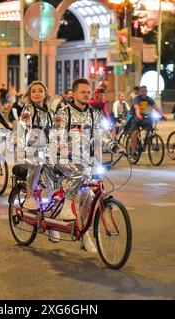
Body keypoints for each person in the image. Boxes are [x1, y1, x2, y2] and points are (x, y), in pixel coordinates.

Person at [54, 78, 121, 253]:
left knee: (89, 198)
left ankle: (85, 235)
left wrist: (114, 146)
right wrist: (62, 146)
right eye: (82, 92)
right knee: (80, 175)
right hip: (63, 158)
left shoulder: (93, 114)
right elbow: (57, 134)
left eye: (88, 92)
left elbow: (103, 135)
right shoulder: (63, 113)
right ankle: (67, 204)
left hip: (84, 160)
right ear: (74, 93)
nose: (86, 95)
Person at [15, 81, 58, 242]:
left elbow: (57, 132)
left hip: (47, 150)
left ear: (45, 94)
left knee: (55, 182)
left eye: (40, 90)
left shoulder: (51, 113)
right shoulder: (28, 110)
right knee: (36, 164)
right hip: (31, 149)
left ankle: (52, 223)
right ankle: (29, 195)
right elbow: (22, 128)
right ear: (29, 95)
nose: (37, 93)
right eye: (33, 91)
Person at [125, 85, 167, 154]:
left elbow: (156, 108)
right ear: (139, 92)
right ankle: (133, 150)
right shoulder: (136, 99)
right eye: (142, 91)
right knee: (135, 132)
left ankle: (146, 139)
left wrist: (163, 115)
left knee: (150, 126)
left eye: (145, 91)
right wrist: (138, 115)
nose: (144, 92)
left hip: (142, 116)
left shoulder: (149, 99)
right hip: (133, 116)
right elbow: (137, 108)